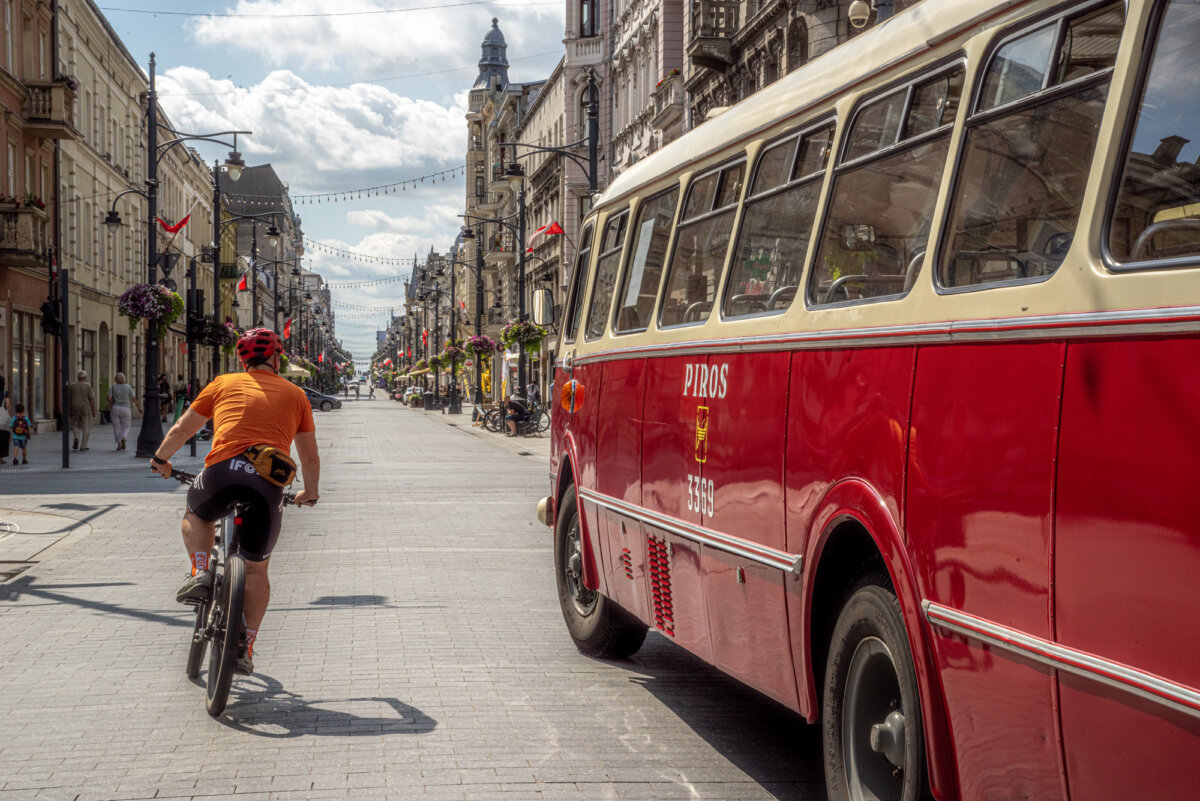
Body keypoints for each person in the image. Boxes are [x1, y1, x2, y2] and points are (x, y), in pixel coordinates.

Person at [151, 328, 320, 676]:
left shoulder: (222, 384)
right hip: (268, 486)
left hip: (221, 476)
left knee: (197, 514)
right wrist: (310, 492)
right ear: (277, 358)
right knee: (257, 568)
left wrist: (160, 459)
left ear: (243, 361)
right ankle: (247, 644)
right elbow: (310, 455)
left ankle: (199, 570)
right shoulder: (296, 394)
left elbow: (183, 428)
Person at [106, 372, 141, 451]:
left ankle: (119, 443)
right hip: (125, 408)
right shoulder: (128, 387)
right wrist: (139, 407)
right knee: (126, 425)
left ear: (115, 379)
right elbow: (133, 398)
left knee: (116, 426)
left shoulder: (113, 387)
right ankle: (124, 437)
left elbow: (109, 398)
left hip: (115, 408)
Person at [68, 370, 97, 451]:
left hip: (74, 407)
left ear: (78, 377)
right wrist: (93, 410)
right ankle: (83, 446)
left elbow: (69, 399)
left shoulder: (72, 386)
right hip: (85, 408)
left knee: (75, 424)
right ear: (84, 377)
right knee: (86, 427)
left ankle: (76, 438)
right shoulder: (88, 386)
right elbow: (91, 399)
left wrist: (69, 409)